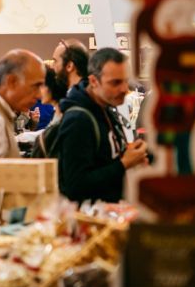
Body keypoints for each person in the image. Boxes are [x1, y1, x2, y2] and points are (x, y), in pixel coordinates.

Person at [58, 48, 149, 203]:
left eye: (126, 81)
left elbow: (104, 159)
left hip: (109, 215)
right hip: (90, 221)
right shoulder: (78, 120)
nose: (124, 89)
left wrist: (132, 155)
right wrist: (124, 163)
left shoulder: (105, 108)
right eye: (115, 83)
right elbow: (75, 186)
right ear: (94, 81)